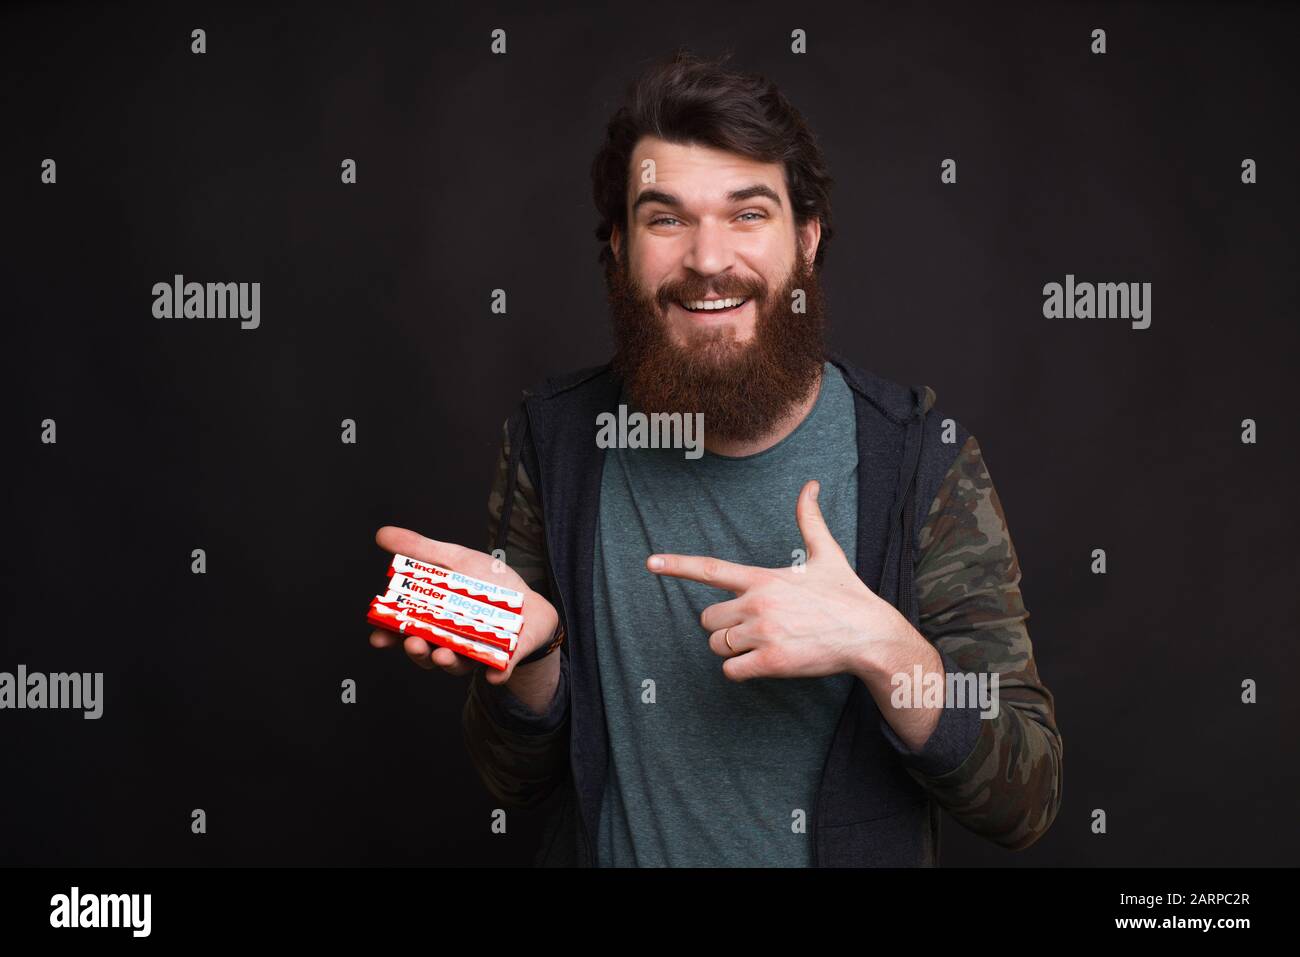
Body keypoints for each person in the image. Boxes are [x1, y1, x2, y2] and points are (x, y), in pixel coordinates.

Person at [370, 48, 1062, 867]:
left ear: (805, 240)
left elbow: (1029, 795)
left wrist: (886, 648)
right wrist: (530, 660)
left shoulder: (919, 462)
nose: (706, 259)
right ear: (620, 248)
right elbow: (512, 781)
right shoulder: (551, 443)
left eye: (747, 214)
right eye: (666, 218)